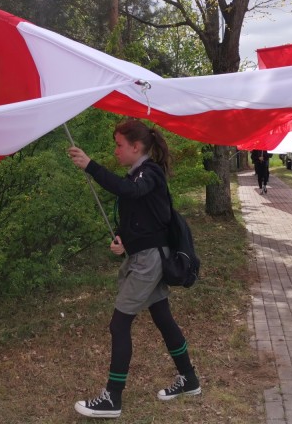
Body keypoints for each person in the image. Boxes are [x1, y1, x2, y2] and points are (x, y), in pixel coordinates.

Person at [68, 119, 201, 419]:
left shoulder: (149, 173)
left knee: (119, 324)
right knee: (163, 317)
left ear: (136, 147)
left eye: (119, 145)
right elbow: (143, 218)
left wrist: (91, 165)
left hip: (150, 262)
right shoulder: (138, 175)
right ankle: (189, 379)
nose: (115, 151)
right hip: (146, 256)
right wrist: (124, 242)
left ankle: (112, 398)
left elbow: (131, 192)